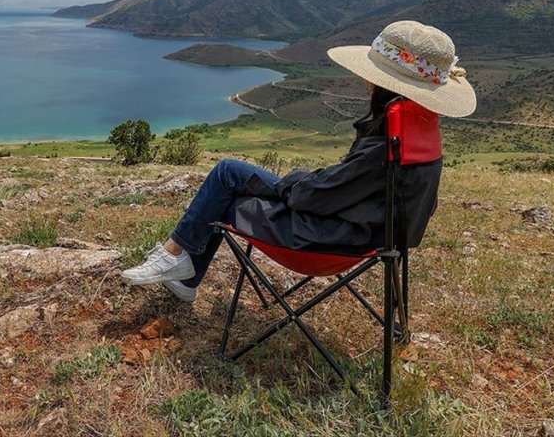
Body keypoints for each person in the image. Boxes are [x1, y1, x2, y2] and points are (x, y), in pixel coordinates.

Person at [121, 20, 477, 302]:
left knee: (227, 177)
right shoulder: (417, 132)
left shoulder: (382, 147)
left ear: (382, 84)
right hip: (368, 236)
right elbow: (349, 189)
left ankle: (176, 258)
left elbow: (318, 196)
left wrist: (293, 182)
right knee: (232, 176)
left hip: (324, 240)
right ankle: (182, 271)